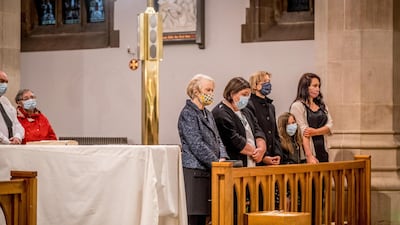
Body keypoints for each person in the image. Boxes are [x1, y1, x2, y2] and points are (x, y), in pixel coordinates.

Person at [177, 74, 229, 225]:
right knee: (195, 218)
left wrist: (223, 157)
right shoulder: (188, 113)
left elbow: (218, 138)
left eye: (212, 90)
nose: (211, 94)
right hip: (195, 171)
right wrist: (215, 161)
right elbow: (196, 144)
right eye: (208, 90)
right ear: (196, 91)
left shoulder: (208, 113)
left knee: (207, 217)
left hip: (211, 169)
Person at [212, 77, 266, 167]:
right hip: (235, 164)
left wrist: (261, 149)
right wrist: (254, 152)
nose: (247, 98)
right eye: (244, 94)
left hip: (252, 162)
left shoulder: (246, 110)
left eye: (248, 95)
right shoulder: (220, 113)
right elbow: (233, 140)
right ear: (232, 94)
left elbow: (257, 130)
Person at [290, 73, 333, 164]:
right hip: (308, 152)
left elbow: (330, 126)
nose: (318, 89)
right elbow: (303, 131)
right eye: (314, 86)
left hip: (323, 149)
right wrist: (309, 156)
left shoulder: (322, 105)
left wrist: (315, 132)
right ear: (305, 87)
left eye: (319, 86)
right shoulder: (297, 106)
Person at [247, 71, 282, 165]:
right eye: (264, 81)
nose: (268, 84)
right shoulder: (249, 105)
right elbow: (253, 132)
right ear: (255, 85)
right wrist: (264, 156)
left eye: (269, 81)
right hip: (258, 157)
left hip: (272, 155)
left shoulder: (271, 107)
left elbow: (275, 134)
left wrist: (278, 153)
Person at [0, 71, 24, 144]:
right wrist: (7, 142)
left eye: (6, 82)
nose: (4, 84)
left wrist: (17, 137)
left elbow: (17, 124)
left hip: (9, 147)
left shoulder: (5, 101)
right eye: (1, 81)